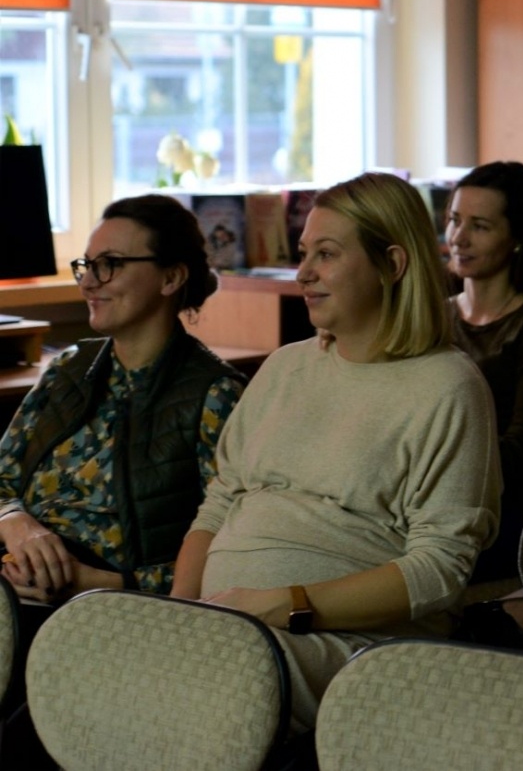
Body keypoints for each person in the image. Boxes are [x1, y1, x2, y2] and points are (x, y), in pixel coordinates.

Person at [173, 172, 500, 733]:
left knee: (205, 680)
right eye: (303, 253)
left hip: (358, 644)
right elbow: (219, 507)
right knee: (90, 650)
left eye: (326, 254)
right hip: (231, 624)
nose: (303, 273)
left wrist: (286, 603)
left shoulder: (448, 386)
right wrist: (177, 613)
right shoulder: (284, 368)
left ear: (391, 265)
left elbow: (439, 571)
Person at [0, 194, 245, 603]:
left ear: (171, 278)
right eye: (86, 265)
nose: (89, 281)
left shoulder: (216, 396)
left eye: (109, 264)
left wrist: (99, 583)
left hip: (105, 606)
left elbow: (228, 553)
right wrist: (14, 519)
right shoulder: (68, 370)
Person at [445, 160, 523, 583]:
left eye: (479, 226)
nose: (458, 238)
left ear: (517, 238)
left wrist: (436, 463)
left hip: (495, 504)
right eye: (454, 221)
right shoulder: (433, 318)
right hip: (423, 493)